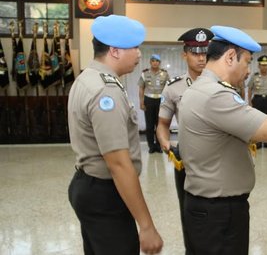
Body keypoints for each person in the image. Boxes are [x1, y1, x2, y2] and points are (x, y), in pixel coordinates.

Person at [177, 25, 267, 255]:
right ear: (231, 57)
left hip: (207, 206)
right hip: (219, 212)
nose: (248, 70)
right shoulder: (215, 95)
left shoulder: (202, 88)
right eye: (247, 62)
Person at [67, 15, 163, 254]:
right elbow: (119, 164)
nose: (139, 54)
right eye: (134, 47)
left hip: (87, 184)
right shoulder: (105, 91)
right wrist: (147, 226)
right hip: (105, 195)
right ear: (115, 51)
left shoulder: (87, 78)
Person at [155, 27, 213, 254]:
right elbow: (162, 124)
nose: (201, 57)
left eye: (205, 52)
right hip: (188, 162)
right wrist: (166, 144)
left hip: (219, 162)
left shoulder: (224, 84)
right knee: (189, 214)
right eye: (195, 52)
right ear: (184, 54)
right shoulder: (173, 87)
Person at [138, 54, 169, 153]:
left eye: (157, 61)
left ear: (159, 63)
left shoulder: (165, 74)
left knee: (160, 124)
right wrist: (141, 102)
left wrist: (168, 103)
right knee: (150, 125)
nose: (155, 62)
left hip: (161, 101)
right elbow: (141, 88)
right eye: (153, 61)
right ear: (150, 62)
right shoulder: (145, 73)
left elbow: (168, 89)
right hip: (149, 100)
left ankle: (159, 146)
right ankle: (151, 146)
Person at [247, 54, 267, 149]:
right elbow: (249, 89)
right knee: (257, 122)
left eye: (266, 65)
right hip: (257, 100)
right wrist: (249, 102)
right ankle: (258, 142)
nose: (264, 67)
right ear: (259, 66)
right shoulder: (254, 76)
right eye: (262, 65)